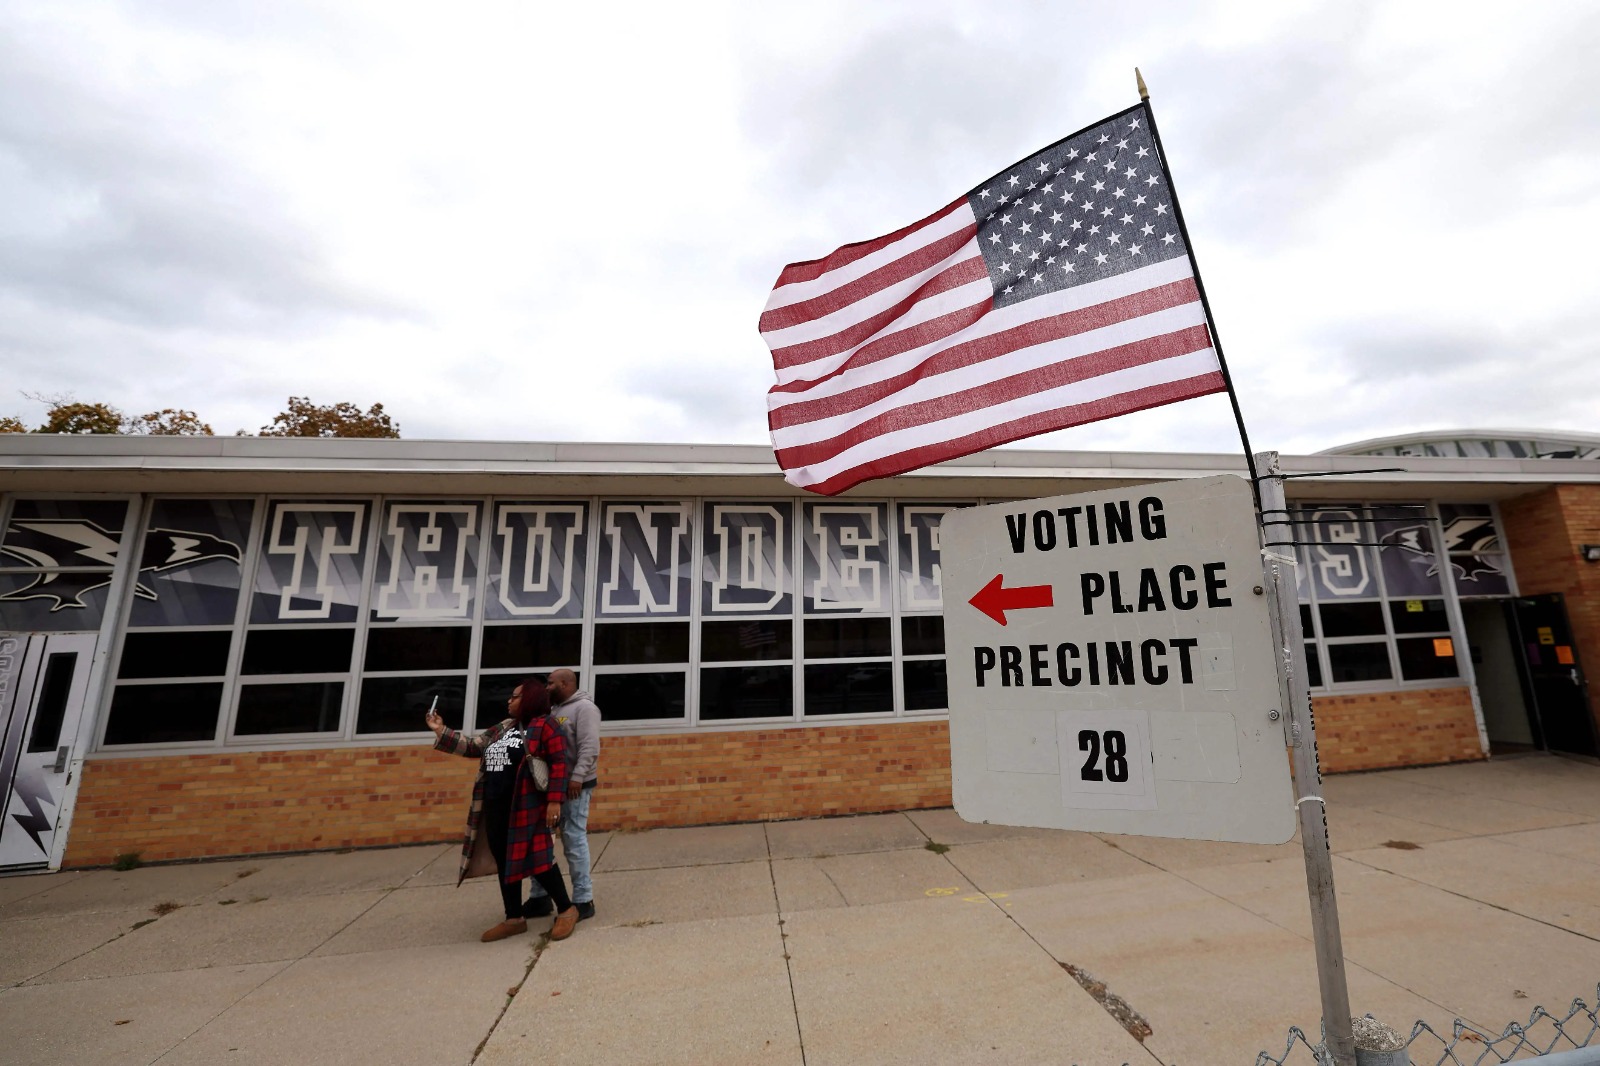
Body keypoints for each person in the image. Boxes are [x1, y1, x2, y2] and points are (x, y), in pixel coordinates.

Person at [427, 677, 580, 942]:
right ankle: (514, 918)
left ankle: (566, 909)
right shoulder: (504, 727)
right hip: (496, 806)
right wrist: (441, 731)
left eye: (515, 696)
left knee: (539, 859)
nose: (509, 700)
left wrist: (555, 801)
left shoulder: (546, 725)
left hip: (527, 805)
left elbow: (559, 764)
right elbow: (475, 746)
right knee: (505, 860)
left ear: (529, 699)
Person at [526, 668, 601, 920]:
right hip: (551, 787)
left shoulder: (584, 709)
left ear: (565, 683)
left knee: (573, 838)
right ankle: (540, 897)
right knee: (541, 842)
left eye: (550, 683)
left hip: (574, 787)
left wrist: (578, 776)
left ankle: (583, 899)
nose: (546, 688)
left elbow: (589, 747)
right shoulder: (554, 710)